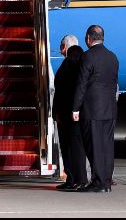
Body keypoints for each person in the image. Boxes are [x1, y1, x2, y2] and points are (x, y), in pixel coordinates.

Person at [72, 25, 119, 193]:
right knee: (106, 147)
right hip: (110, 109)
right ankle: (106, 181)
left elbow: (81, 84)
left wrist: (75, 108)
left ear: (88, 38)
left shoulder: (88, 56)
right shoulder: (113, 57)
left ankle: (98, 182)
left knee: (94, 146)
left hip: (92, 109)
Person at [53, 44, 88, 191]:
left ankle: (72, 179)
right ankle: (81, 179)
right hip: (77, 115)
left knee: (66, 148)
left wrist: (56, 112)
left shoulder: (65, 66)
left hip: (64, 114)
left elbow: (58, 91)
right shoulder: (82, 69)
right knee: (78, 149)